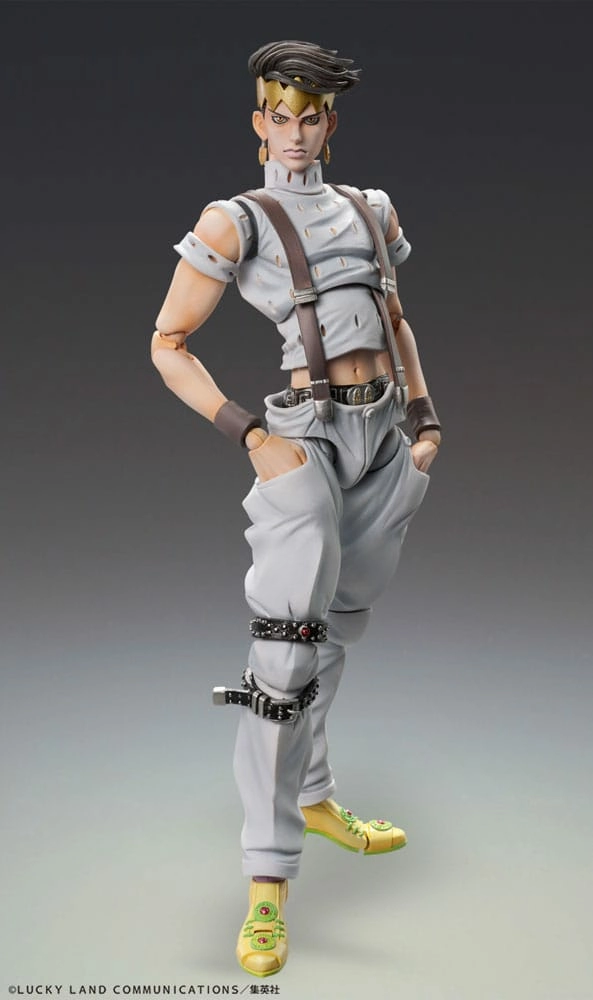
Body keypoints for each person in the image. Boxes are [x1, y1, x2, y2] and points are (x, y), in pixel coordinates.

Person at [151, 39, 441, 978]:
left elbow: (394, 319)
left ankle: (313, 797)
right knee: (282, 656)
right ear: (258, 122)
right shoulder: (236, 219)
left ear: (330, 123)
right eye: (280, 116)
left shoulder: (371, 208)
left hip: (383, 434)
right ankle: (267, 884)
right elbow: (167, 342)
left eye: (310, 117)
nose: (295, 132)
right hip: (302, 437)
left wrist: (425, 420)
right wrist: (248, 433)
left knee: (339, 627)